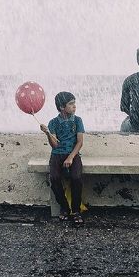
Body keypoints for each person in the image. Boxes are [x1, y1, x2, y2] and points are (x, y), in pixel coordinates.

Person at [39, 92, 85, 223]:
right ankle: (64, 207)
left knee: (76, 178)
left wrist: (71, 157)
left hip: (73, 154)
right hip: (57, 155)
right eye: (71, 104)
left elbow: (80, 142)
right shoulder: (53, 122)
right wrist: (48, 133)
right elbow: (55, 145)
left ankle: (76, 210)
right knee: (54, 178)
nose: (74, 106)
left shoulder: (77, 120)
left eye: (74, 103)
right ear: (61, 107)